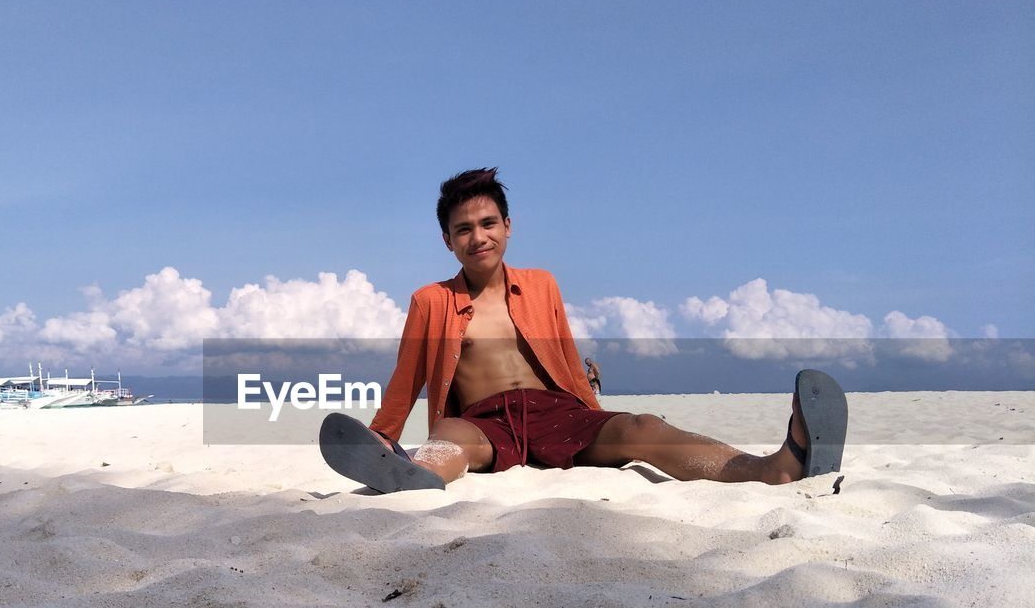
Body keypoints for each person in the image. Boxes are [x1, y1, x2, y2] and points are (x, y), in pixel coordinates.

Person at [319, 168, 846, 493]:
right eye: (463, 229)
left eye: (487, 224)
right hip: (484, 422)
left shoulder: (542, 285)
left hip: (557, 413)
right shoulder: (430, 300)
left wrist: (598, 416)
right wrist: (382, 435)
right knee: (447, 437)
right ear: (447, 241)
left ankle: (770, 468)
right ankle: (412, 474)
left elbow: (565, 356)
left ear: (507, 226)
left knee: (641, 427)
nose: (477, 237)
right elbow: (406, 379)